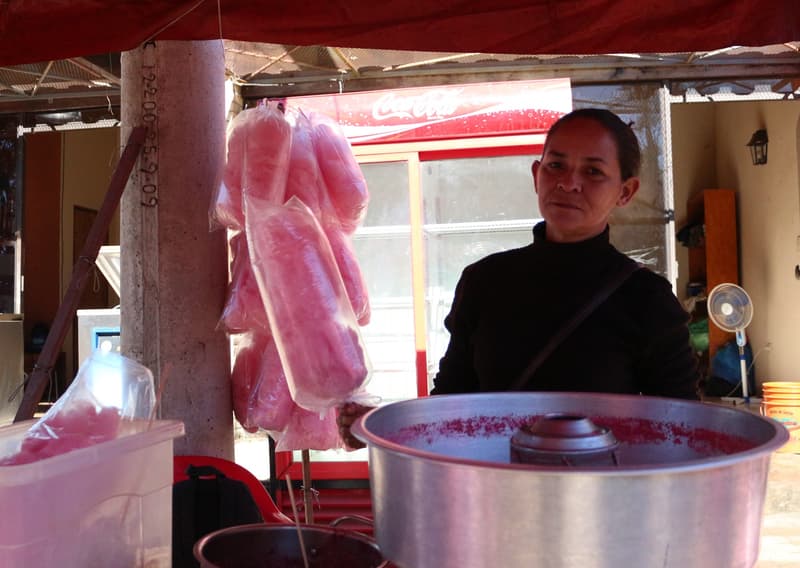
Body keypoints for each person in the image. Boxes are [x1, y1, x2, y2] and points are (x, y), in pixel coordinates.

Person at [338, 108, 700, 449]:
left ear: (625, 191)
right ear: (535, 174)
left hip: (602, 507)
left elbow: (680, 431)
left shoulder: (646, 299)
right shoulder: (484, 282)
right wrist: (381, 428)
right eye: (556, 165)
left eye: (593, 172)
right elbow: (451, 406)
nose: (569, 183)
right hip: (494, 501)